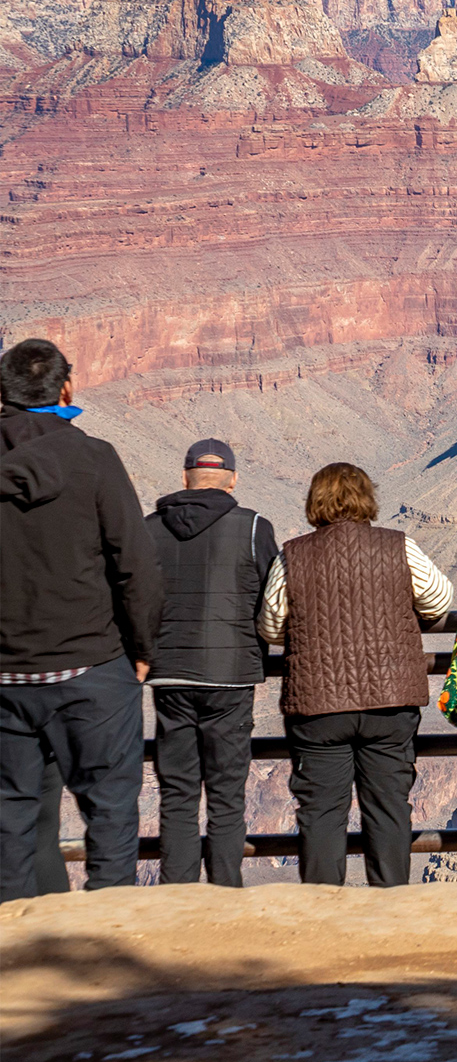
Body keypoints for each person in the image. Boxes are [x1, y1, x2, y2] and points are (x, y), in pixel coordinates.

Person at [0, 339, 162, 902]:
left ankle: (16, 962)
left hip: (5, 679)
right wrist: (142, 650)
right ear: (67, 389)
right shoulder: (94, 458)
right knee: (112, 819)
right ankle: (106, 953)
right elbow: (135, 564)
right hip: (91, 668)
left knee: (9, 830)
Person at [257, 463, 453, 887]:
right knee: (388, 808)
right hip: (390, 702)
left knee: (320, 813)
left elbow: (271, 626)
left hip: (318, 707)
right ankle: (391, 910)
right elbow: (439, 600)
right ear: (367, 498)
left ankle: (326, 916)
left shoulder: (292, 555)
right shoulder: (398, 547)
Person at [144, 438, 280, 887]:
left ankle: (177, 896)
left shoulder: (148, 529)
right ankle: (225, 895)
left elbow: (134, 598)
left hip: (168, 677)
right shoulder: (254, 527)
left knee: (178, 793)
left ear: (184, 478)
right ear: (233, 480)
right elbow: (273, 600)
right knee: (225, 794)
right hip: (231, 679)